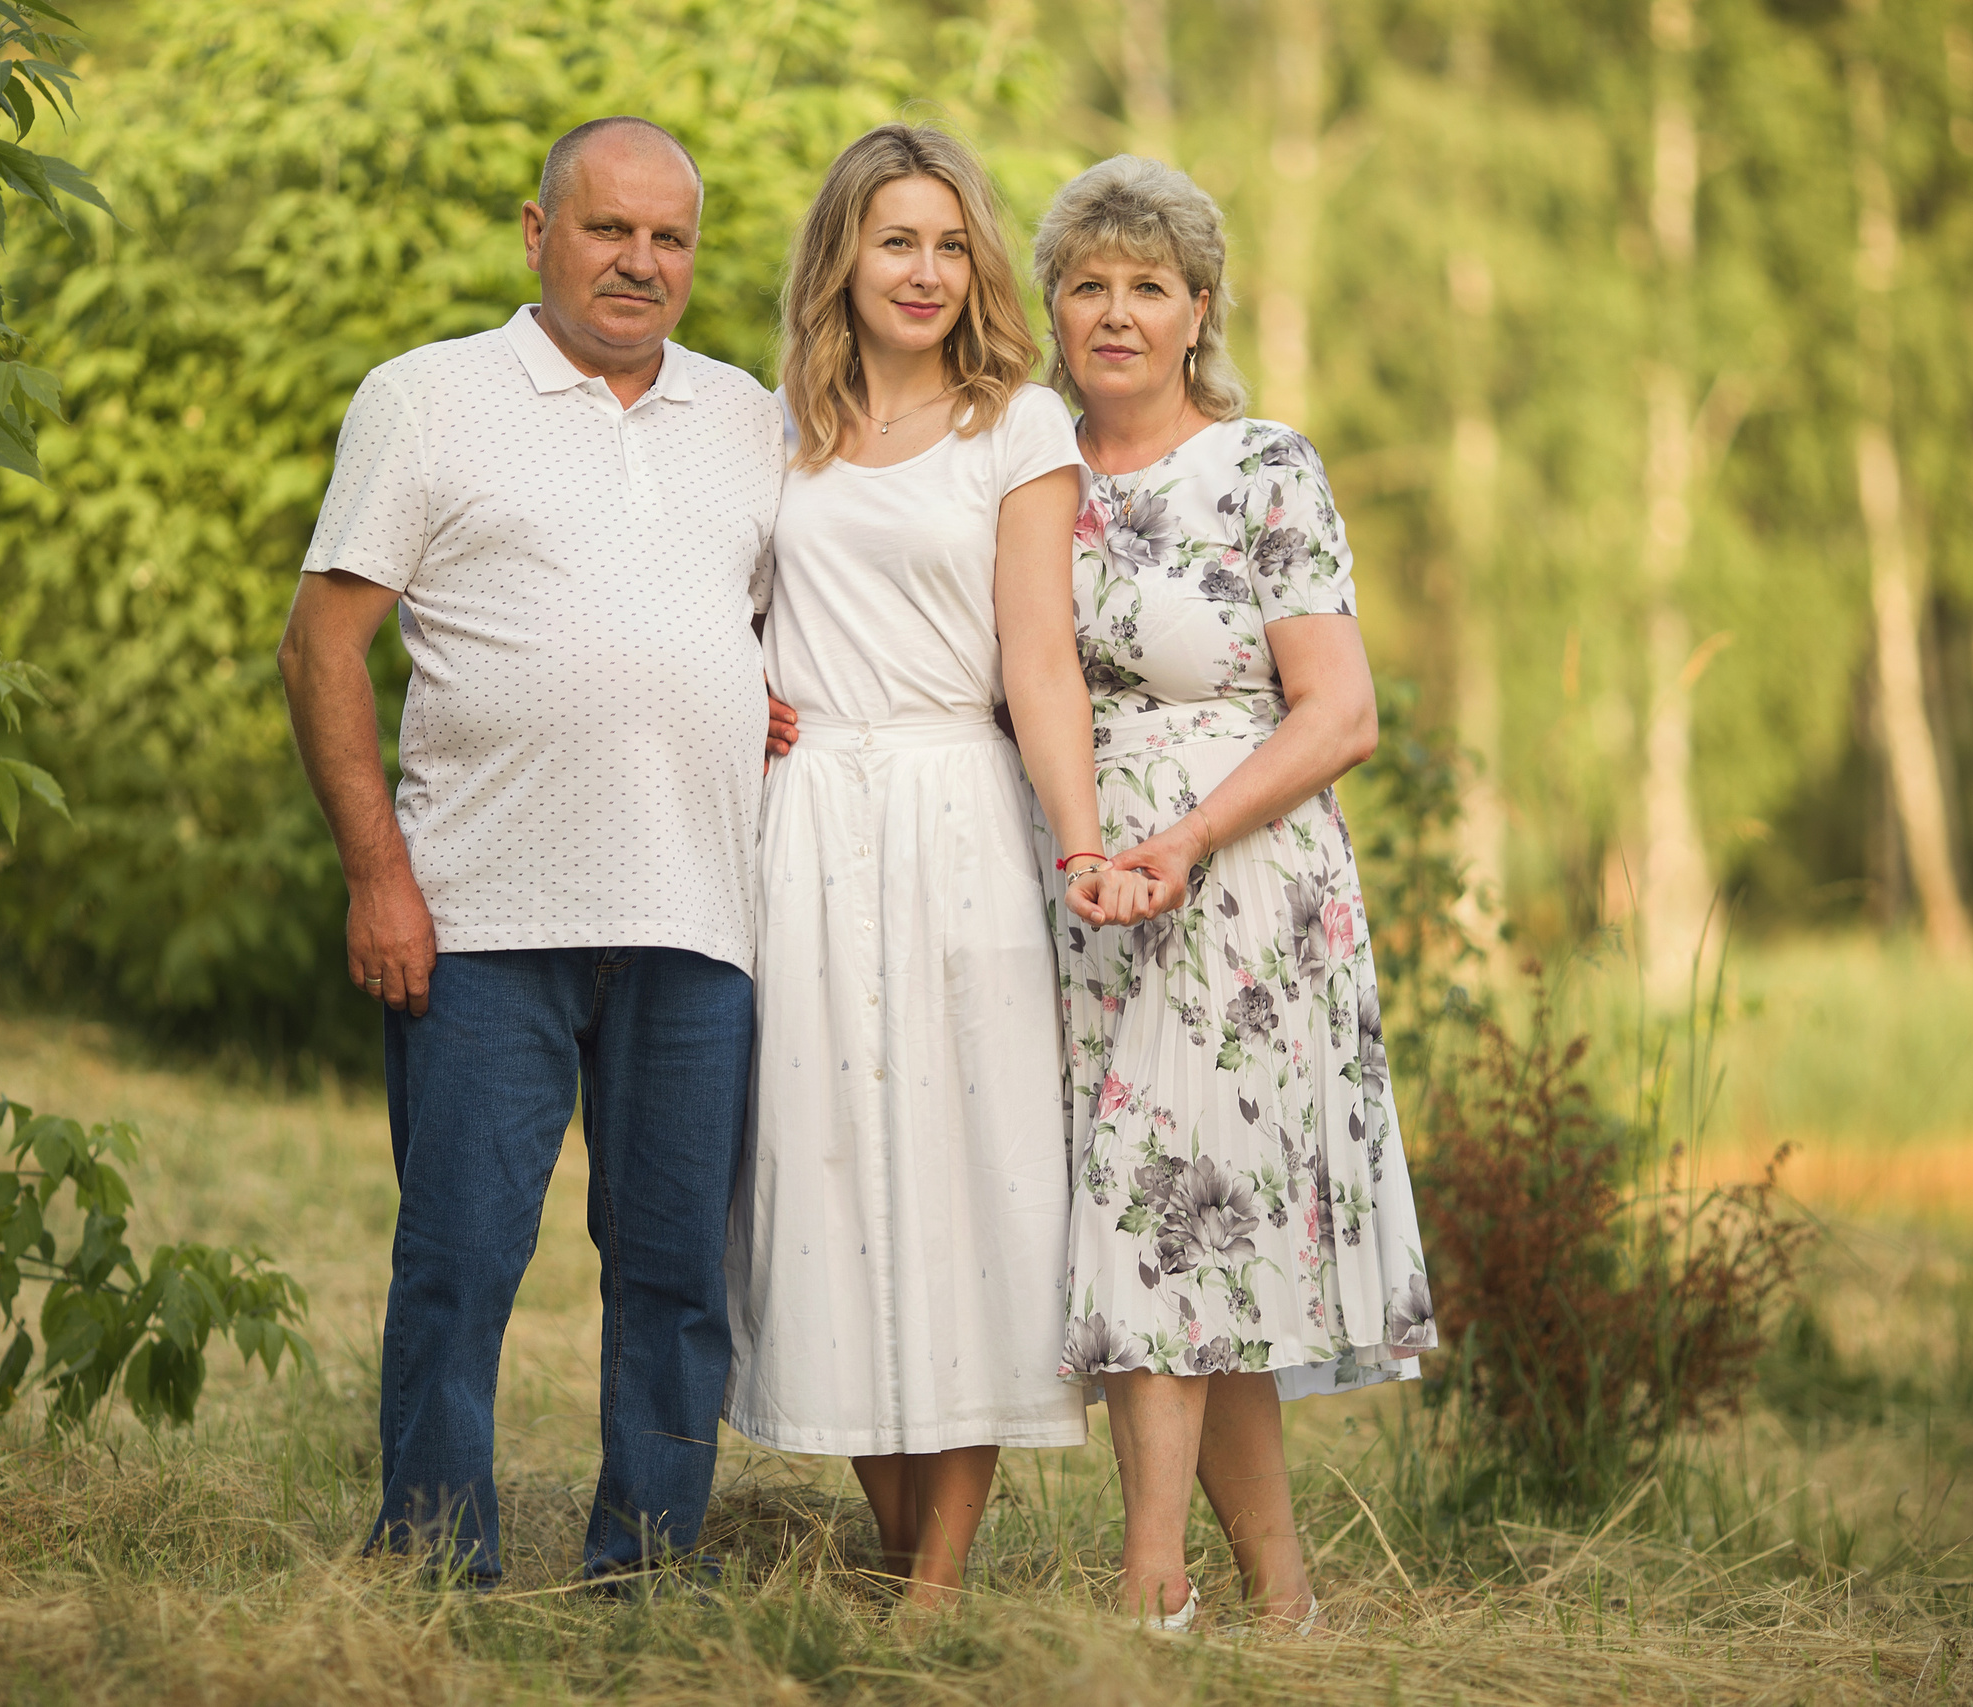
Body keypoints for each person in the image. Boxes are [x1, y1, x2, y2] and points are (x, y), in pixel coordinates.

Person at [277, 116, 786, 1588]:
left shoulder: (748, 413)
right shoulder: (428, 399)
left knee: (680, 1276)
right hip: (480, 913)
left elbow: (756, 625)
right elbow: (322, 648)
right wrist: (381, 877)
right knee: (459, 1262)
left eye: (670, 238)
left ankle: (648, 1565)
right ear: (537, 230)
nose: (640, 263)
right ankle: (438, 1559)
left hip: (700, 914)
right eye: (609, 229)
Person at [722, 124, 1155, 1612]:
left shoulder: (1016, 425)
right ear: (841, 253)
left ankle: (937, 1589)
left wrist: (1082, 839)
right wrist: (743, 686)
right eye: (894, 239)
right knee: (821, 1170)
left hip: (955, 815)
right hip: (803, 823)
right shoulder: (776, 421)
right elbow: (720, 602)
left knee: (969, 1180)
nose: (923, 270)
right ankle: (896, 1542)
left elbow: (1038, 659)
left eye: (950, 242)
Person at [1034, 155, 1440, 1631]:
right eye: (1091, 283)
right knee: (1198, 1237)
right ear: (1055, 305)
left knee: (1162, 1203)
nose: (1119, 312)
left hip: (1240, 885)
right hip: (1082, 886)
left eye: (1151, 285)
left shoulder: (1264, 464)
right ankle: (1287, 1598)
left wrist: (1191, 838)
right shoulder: (1029, 470)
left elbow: (1340, 713)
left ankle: (1153, 1589)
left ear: (1199, 306)